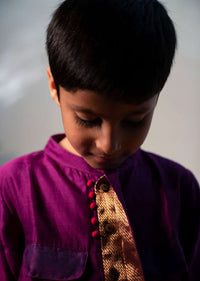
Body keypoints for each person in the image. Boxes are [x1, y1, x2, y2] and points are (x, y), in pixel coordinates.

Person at [0, 0, 199, 280]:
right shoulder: (12, 189)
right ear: (54, 87)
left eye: (134, 121)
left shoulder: (182, 189)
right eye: (88, 119)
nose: (109, 144)